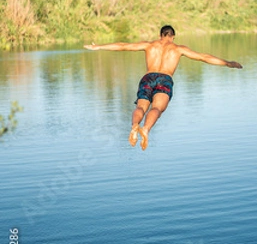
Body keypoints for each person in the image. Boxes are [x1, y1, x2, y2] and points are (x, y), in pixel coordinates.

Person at [84, 25, 242, 150]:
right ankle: (145, 129)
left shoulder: (149, 45)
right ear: (172, 37)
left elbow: (124, 46)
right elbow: (204, 57)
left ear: (160, 35)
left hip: (148, 77)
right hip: (165, 79)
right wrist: (228, 63)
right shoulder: (178, 48)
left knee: (141, 106)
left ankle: (134, 126)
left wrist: (99, 46)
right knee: (157, 109)